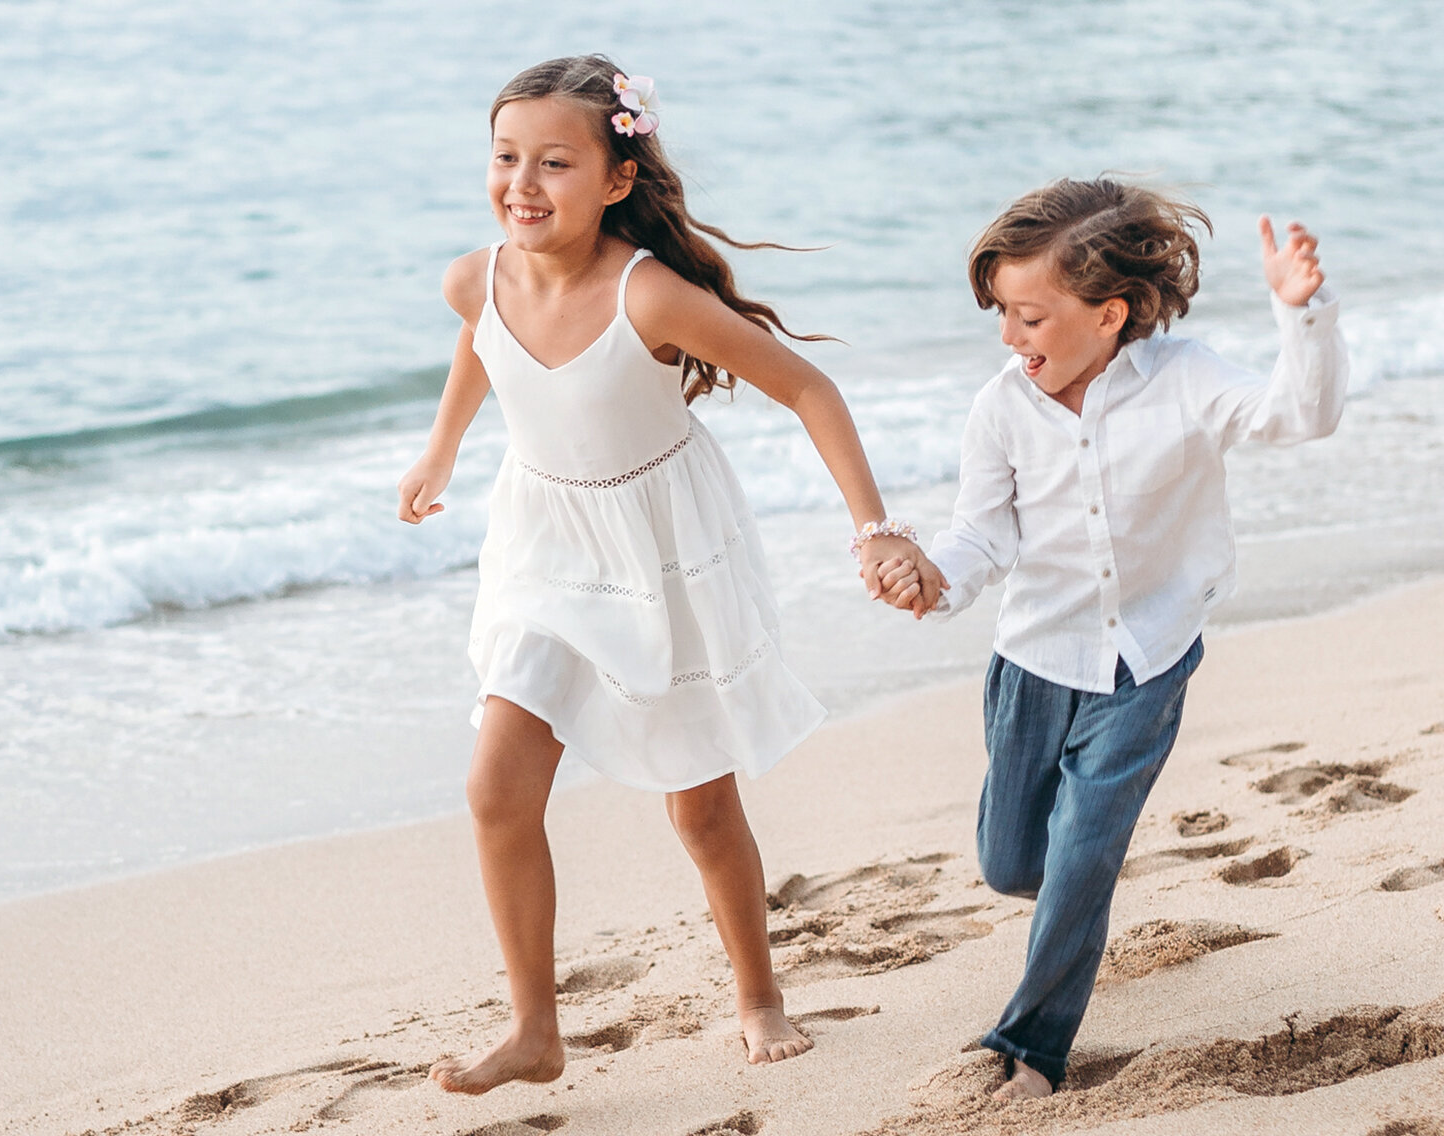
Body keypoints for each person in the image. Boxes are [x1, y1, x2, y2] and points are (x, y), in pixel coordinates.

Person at [396, 54, 944, 1095]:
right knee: (495, 787)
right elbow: (483, 342)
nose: (522, 182)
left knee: (698, 808)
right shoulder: (476, 274)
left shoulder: (649, 295)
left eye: (554, 162)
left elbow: (808, 386)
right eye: (506, 156)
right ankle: (534, 1028)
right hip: (543, 544)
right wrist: (442, 450)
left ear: (615, 179)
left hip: (660, 549)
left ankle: (757, 993)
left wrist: (873, 525)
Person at [874, 178, 1348, 1099]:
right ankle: (1073, 901)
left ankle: (1031, 1048)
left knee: (1085, 854)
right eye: (1002, 316)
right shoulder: (1002, 406)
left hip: (1149, 660)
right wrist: (934, 580)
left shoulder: (1188, 380)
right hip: (1034, 662)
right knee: (1014, 864)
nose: (1010, 339)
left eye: (1030, 317)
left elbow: (1301, 416)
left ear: (1111, 313)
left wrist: (1305, 314)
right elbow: (981, 534)